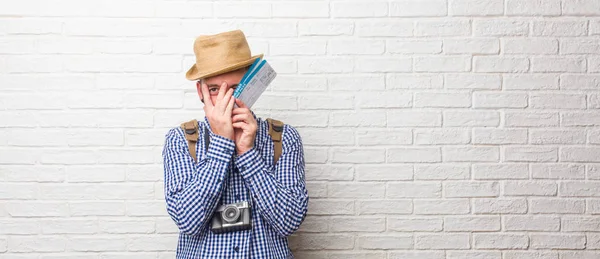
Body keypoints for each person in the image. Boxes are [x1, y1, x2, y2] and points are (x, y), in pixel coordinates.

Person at [162, 29, 309, 258]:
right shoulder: (180, 140)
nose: (226, 101)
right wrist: (222, 142)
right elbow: (187, 221)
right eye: (213, 90)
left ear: (252, 84)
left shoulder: (283, 138)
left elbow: (290, 222)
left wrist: (247, 152)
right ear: (199, 91)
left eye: (234, 88)